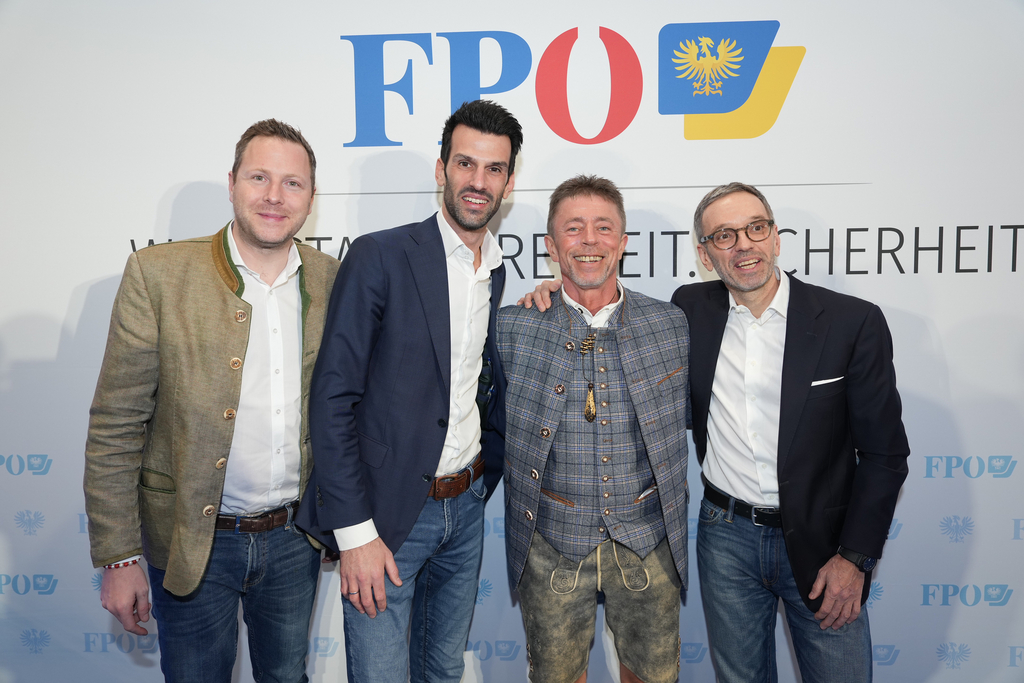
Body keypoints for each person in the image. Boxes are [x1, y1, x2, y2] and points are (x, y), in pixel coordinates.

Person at [84, 119, 339, 682]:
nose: (274, 196)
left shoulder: (331, 279)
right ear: (231, 183)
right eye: (259, 177)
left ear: (312, 197)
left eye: (292, 183)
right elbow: (115, 425)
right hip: (189, 542)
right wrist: (119, 557)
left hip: (294, 541)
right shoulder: (158, 275)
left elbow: (348, 410)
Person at [295, 99, 522, 682]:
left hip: (466, 507)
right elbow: (333, 398)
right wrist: (355, 534)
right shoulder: (381, 255)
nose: (478, 182)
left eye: (494, 169)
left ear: (509, 182)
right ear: (442, 168)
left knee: (442, 670)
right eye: (466, 163)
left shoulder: (496, 270)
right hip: (385, 515)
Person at [670, 182, 910, 682]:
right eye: (724, 235)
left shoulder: (851, 322)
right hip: (725, 538)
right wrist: (551, 291)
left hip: (826, 546)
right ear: (705, 254)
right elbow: (617, 319)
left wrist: (854, 558)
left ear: (776, 237)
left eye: (756, 228)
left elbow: (885, 455)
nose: (744, 245)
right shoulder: (689, 309)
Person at [499, 176, 690, 683]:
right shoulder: (512, 326)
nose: (589, 240)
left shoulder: (672, 323)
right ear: (551, 245)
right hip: (551, 543)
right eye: (573, 228)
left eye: (603, 228)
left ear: (622, 243)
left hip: (647, 538)